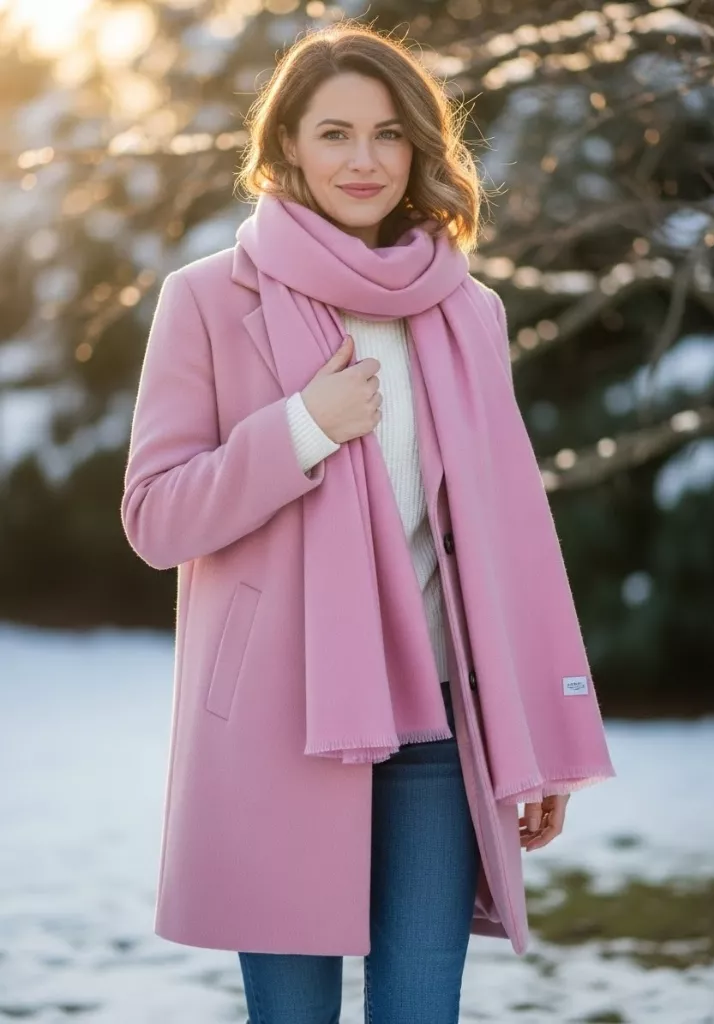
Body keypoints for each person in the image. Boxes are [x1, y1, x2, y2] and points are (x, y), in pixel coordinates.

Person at [121, 19, 616, 1024]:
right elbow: (154, 516)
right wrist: (301, 427)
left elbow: (508, 540)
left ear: (421, 150)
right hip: (281, 724)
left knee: (420, 1012)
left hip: (441, 725)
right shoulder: (208, 300)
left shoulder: (467, 311)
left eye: (389, 134)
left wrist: (540, 734)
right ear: (288, 145)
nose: (364, 159)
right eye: (335, 132)